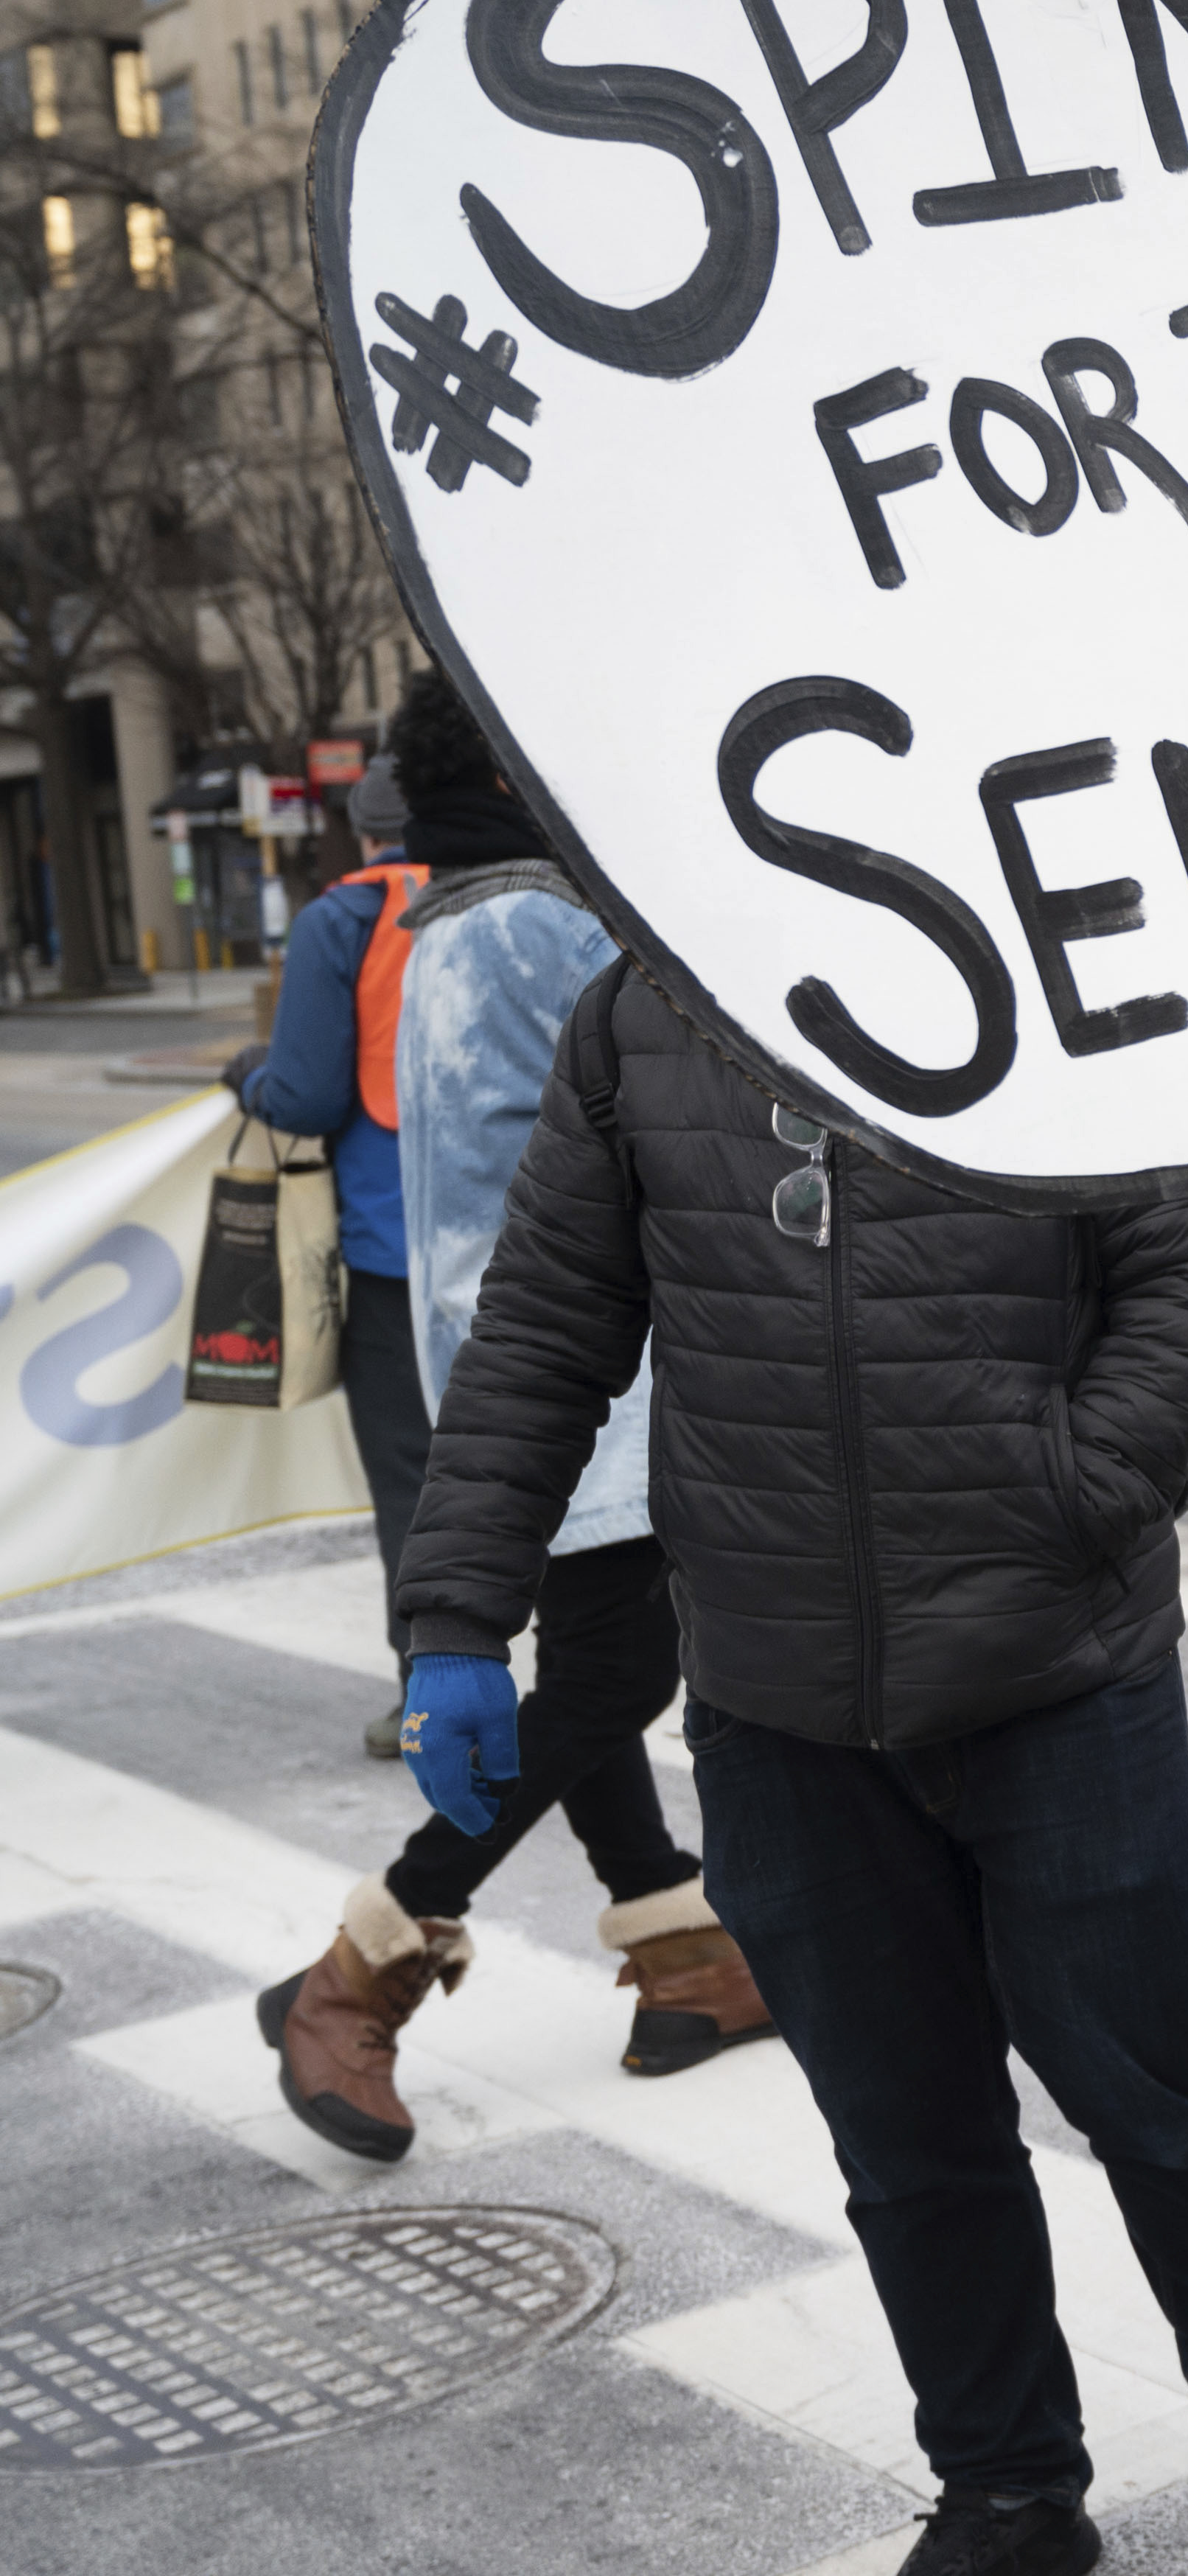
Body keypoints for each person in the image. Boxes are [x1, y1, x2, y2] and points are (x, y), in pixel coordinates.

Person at [388, 974, 1188, 2576]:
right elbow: (546, 1320)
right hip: (778, 1700)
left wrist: (1066, 1493)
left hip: (1061, 1676)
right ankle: (1008, 2487)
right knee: (906, 2132)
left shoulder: (1081, 969)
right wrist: (458, 1609)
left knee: (1166, 2088)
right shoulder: (639, 1011)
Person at [255, 673, 769, 2167]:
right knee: (618, 1670)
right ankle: (360, 1970)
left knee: (603, 1671)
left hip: (530, 1371)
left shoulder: (470, 914)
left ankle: (687, 1958)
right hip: (588, 1386)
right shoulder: (543, 921)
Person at [229, 739, 432, 1752]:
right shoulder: (515, 906)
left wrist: (249, 1075)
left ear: (363, 833)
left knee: (416, 1479)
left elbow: (304, 1097)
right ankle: (597, 1678)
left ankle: (430, 1693)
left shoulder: (341, 922)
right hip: (535, 1250)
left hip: (395, 1258)